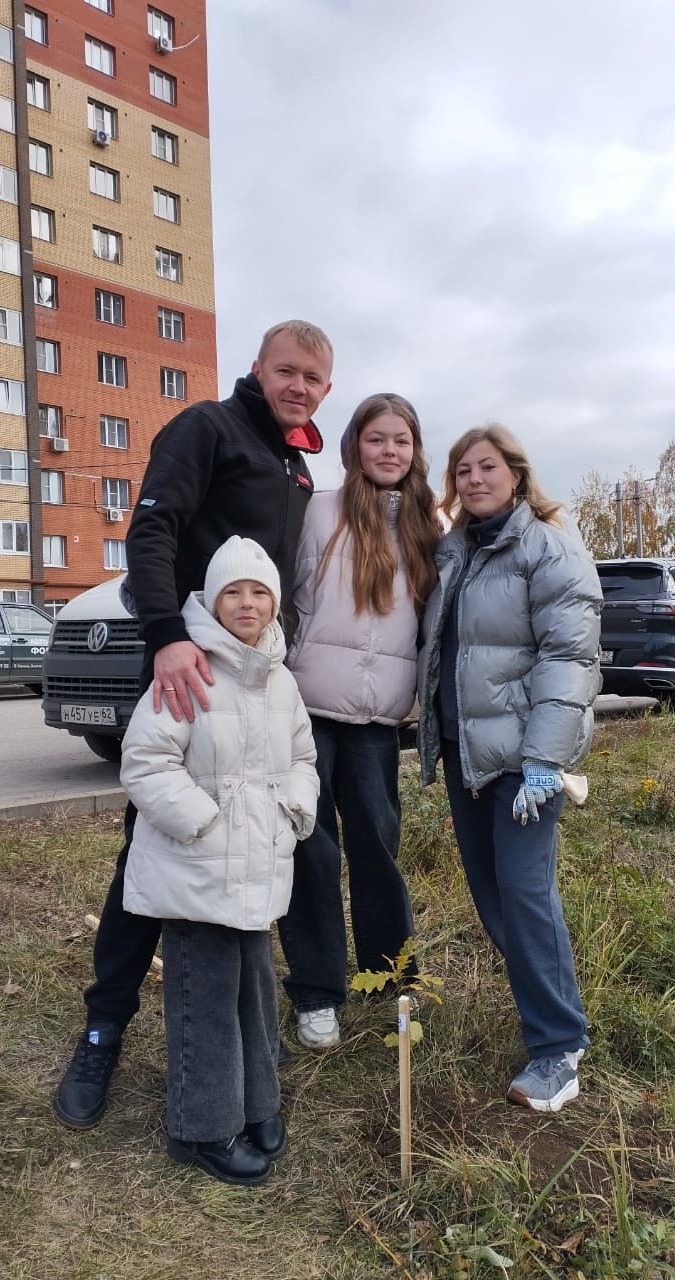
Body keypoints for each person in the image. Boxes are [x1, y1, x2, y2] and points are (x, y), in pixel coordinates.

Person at [53, 320, 333, 1130]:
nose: (299, 387)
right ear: (259, 366)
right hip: (185, 670)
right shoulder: (205, 427)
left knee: (253, 848)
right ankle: (103, 1029)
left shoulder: (295, 465)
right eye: (287, 371)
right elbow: (151, 532)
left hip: (255, 681)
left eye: (313, 379)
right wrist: (167, 639)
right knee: (151, 852)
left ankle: (247, 1037)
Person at [120, 537, 319, 1185]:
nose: (246, 603)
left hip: (257, 867)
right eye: (232, 591)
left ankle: (256, 1105)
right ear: (211, 598)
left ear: (274, 604)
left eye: (258, 592)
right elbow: (146, 764)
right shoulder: (188, 669)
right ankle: (201, 1128)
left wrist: (294, 807)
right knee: (203, 996)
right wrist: (203, 823)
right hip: (195, 866)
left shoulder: (280, 679)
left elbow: (302, 761)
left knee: (254, 992)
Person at [417, 424, 602, 1112]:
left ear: (516, 475)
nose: (472, 479)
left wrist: (544, 762)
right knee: (494, 897)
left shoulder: (548, 549)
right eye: (461, 470)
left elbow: (568, 661)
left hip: (527, 764)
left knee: (524, 898)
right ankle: (548, 1010)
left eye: (485, 466)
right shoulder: (454, 552)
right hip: (474, 759)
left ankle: (558, 1045)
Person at [278, 394, 441, 1048]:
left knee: (377, 843)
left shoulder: (428, 526)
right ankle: (317, 991)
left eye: (400, 441)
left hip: (378, 717)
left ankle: (388, 974)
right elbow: (287, 597)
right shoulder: (319, 511)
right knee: (310, 847)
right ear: (354, 446)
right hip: (309, 706)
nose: (388, 452)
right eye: (376, 440)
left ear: (414, 450)